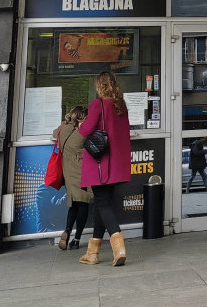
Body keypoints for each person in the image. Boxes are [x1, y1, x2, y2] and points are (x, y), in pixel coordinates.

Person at [78, 71, 132, 266]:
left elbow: (86, 130)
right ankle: (92, 253)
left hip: (101, 164)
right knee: (102, 204)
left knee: (102, 203)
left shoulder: (98, 104)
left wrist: (80, 124)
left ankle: (119, 248)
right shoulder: (120, 106)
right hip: (116, 164)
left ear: (99, 86)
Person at [53, 105, 93, 250]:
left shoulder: (62, 129)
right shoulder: (83, 131)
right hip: (82, 172)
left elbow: (54, 134)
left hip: (68, 172)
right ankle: (76, 239)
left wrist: (65, 123)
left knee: (74, 204)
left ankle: (67, 230)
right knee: (83, 204)